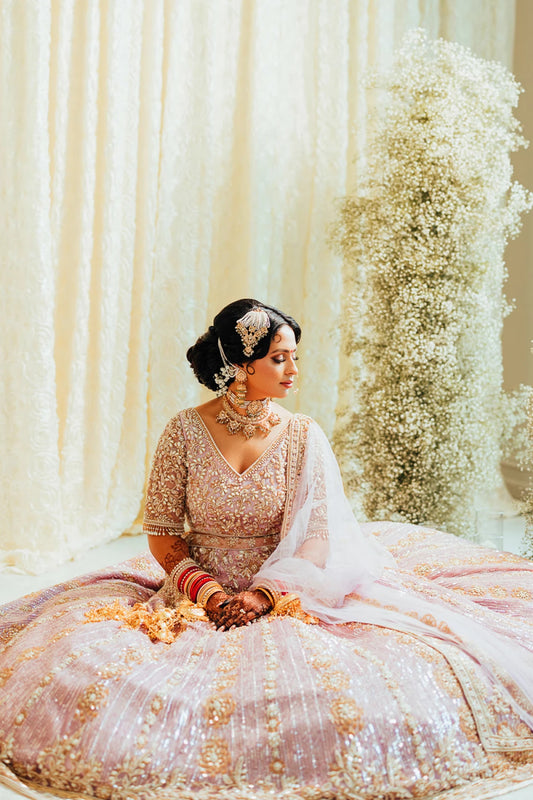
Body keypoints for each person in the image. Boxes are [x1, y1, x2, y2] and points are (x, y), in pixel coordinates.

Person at [1, 298, 533, 800]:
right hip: (193, 591)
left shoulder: (302, 435)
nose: (293, 370)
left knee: (353, 693)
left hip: (286, 589)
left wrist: (264, 595)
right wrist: (207, 593)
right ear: (240, 365)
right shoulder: (183, 431)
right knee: (94, 679)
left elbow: (317, 537)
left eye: (294, 357)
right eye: (279, 358)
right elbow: (162, 532)